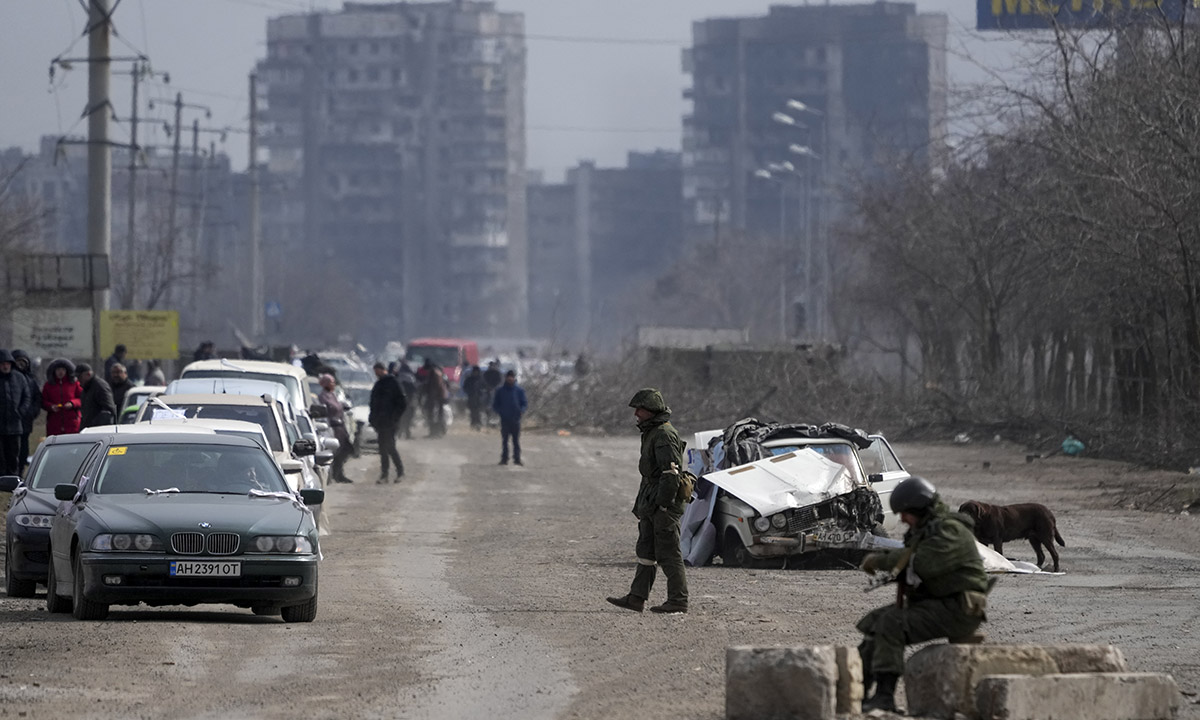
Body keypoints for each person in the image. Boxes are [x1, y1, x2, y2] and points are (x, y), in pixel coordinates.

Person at [856, 476, 990, 712]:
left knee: (892, 623)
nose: (902, 519)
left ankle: (885, 696)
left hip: (959, 608)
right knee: (874, 623)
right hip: (938, 602)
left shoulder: (950, 530)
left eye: (905, 512)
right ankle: (859, 692)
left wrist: (882, 560)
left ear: (921, 507)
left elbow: (924, 563)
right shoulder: (925, 530)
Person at [607, 388, 688, 615]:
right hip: (652, 500)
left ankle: (678, 601)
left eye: (639, 410)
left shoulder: (663, 434)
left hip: (663, 503)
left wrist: (663, 505)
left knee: (669, 552)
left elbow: (670, 474)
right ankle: (636, 597)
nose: (636, 415)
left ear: (650, 410)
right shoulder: (652, 432)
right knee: (646, 550)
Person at [368, 361, 406, 483]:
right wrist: (373, 418)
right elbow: (373, 403)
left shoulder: (393, 383)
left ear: (381, 369)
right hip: (380, 422)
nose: (376, 374)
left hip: (390, 422)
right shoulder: (379, 384)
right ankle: (384, 475)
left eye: (376, 371)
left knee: (390, 447)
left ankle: (400, 472)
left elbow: (402, 403)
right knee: (382, 449)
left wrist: (394, 418)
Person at [0, 350, 32, 476]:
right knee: (1, 456)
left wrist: (21, 412)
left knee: (14, 454)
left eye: (7, 363)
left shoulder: (19, 377)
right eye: (2, 363)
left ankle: (13, 477)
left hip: (15, 425)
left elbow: (27, 397)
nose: (5, 366)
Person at [317, 373, 353, 483]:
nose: (333, 384)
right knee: (335, 451)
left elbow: (339, 406)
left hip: (340, 427)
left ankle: (339, 473)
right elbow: (329, 409)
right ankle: (334, 475)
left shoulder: (332, 395)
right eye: (331, 383)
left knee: (346, 450)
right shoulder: (323, 397)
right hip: (332, 428)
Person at [10, 350, 41, 476]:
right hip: (10, 421)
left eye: (23, 362)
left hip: (25, 421)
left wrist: (32, 412)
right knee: (10, 448)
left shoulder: (31, 380)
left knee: (23, 448)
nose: (20, 365)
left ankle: (20, 470)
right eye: (18, 362)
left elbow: (36, 398)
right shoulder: (8, 379)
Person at [491, 370, 527, 465]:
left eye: (512, 377)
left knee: (516, 441)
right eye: (508, 377)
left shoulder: (519, 391)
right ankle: (504, 458)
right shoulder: (500, 391)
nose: (510, 378)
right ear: (506, 378)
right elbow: (495, 405)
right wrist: (500, 412)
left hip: (516, 419)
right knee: (505, 441)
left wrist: (521, 411)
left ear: (514, 378)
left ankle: (517, 459)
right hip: (505, 419)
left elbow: (524, 403)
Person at [42, 358, 82, 436]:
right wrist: (51, 406)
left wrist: (72, 403)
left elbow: (82, 398)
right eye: (58, 370)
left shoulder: (74, 384)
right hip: (54, 423)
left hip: (72, 422)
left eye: (63, 369)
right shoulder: (48, 385)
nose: (61, 372)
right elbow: (43, 401)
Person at [76, 363, 117, 429]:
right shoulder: (86, 388)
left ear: (88, 374)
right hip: (89, 428)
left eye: (80, 377)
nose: (79, 380)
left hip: (98, 430)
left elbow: (109, 410)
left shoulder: (100, 386)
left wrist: (96, 425)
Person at [420, 358, 447, 437]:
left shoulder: (433, 373)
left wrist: (431, 398)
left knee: (433, 415)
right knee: (438, 415)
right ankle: (437, 432)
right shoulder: (437, 372)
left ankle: (434, 432)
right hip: (439, 397)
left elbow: (435, 387)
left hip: (435, 398)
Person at [394, 361, 417, 439]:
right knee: (409, 417)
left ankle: (400, 433)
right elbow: (414, 390)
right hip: (409, 401)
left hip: (399, 401)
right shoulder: (411, 378)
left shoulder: (398, 377)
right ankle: (407, 433)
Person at [462, 365, 484, 430]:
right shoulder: (469, 379)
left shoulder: (481, 379)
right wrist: (469, 392)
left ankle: (478, 424)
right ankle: (473, 424)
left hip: (479, 398)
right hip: (471, 398)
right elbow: (465, 387)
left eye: (477, 371)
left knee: (478, 412)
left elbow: (484, 387)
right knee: (472, 412)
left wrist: (481, 392)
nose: (475, 373)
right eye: (475, 371)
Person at [482, 360, 502, 426]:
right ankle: (487, 419)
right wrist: (488, 387)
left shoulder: (497, 373)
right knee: (486, 405)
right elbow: (483, 381)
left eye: (492, 365)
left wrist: (494, 388)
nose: (491, 367)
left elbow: (499, 381)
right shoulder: (486, 373)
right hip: (487, 391)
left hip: (495, 391)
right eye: (490, 365)